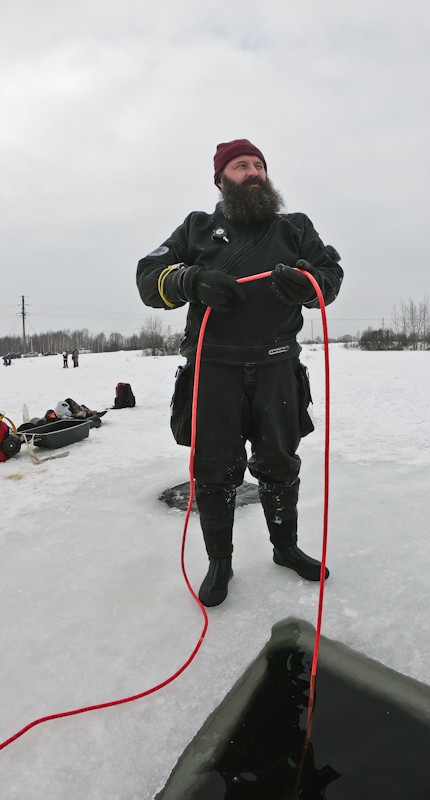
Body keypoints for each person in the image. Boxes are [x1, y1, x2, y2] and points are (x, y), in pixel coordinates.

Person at [136, 138, 343, 607]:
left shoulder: (295, 227)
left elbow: (330, 276)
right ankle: (220, 562)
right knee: (214, 472)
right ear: (221, 179)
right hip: (214, 372)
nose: (252, 172)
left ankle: (285, 548)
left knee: (280, 464)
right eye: (240, 165)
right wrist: (191, 280)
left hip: (278, 369)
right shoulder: (197, 227)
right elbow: (149, 277)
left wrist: (307, 283)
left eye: (258, 165)